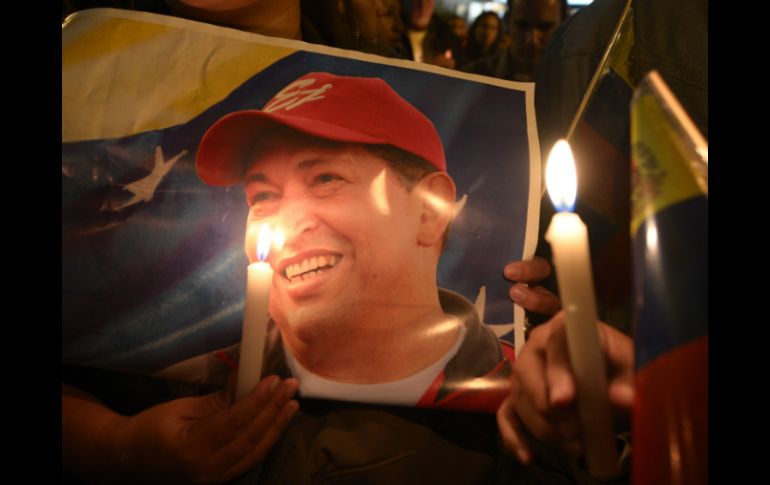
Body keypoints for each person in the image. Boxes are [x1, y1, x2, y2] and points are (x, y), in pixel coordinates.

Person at [195, 71, 516, 412]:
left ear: (428, 211)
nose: (287, 226)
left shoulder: (535, 401)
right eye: (262, 196)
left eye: (326, 178)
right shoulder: (185, 394)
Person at [461, 0, 568, 82]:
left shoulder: (575, 84)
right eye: (522, 26)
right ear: (507, 22)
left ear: (563, 25)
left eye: (544, 27)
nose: (531, 40)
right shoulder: (472, 77)